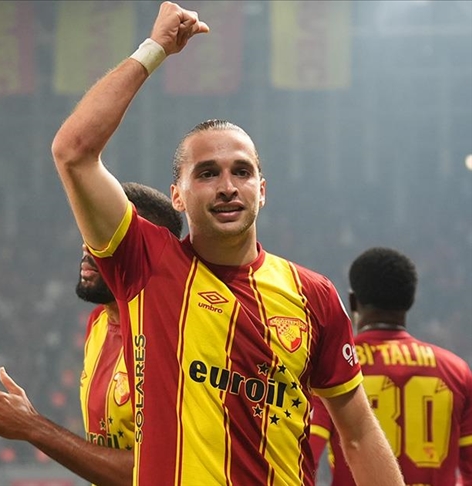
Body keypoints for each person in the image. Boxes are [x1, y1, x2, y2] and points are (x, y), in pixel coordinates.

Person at [48, 2, 405, 485]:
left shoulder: (313, 295)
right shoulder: (147, 265)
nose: (227, 187)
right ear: (177, 195)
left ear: (262, 189)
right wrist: (154, 50)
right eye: (207, 173)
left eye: (242, 171)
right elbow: (73, 151)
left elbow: (357, 432)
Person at [0, 182, 183, 486]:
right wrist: (30, 420)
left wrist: (33, 426)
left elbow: (153, 472)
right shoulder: (98, 322)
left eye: (107, 235)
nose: (89, 246)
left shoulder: (173, 338)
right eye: (89, 230)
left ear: (148, 251)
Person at [309, 247, 472, 486]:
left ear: (353, 301)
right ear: (410, 301)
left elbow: (305, 455)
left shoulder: (336, 363)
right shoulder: (457, 371)